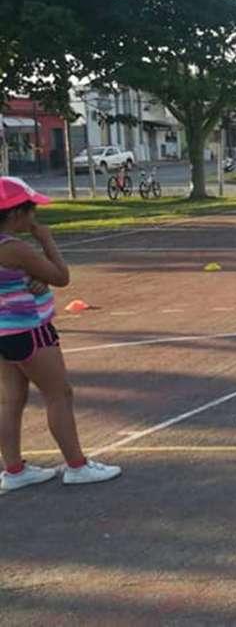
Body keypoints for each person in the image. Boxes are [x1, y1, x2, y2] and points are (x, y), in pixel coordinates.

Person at [0, 178, 120, 491]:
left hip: (4, 333)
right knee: (59, 394)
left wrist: (32, 280)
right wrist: (46, 240)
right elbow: (61, 276)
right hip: (29, 330)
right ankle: (77, 466)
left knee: (11, 399)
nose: (34, 217)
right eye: (31, 211)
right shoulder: (15, 248)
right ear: (15, 213)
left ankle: (13, 470)